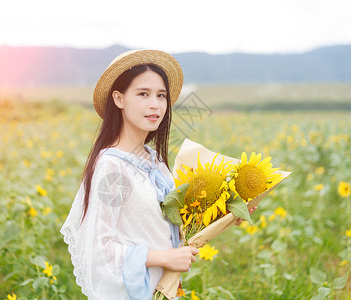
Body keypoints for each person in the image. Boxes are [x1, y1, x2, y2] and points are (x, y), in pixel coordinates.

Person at [60, 49, 254, 300]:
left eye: (161, 95)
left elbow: (167, 227)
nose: (155, 104)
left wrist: (226, 213)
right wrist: (164, 257)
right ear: (119, 99)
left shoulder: (157, 163)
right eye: (143, 94)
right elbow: (99, 249)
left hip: (165, 290)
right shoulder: (112, 167)